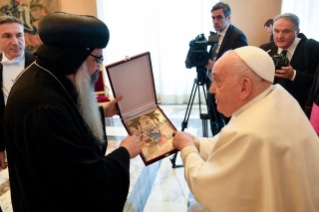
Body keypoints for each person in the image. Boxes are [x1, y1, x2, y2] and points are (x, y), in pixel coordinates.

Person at [4, 12, 140, 212]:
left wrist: (102, 113)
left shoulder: (49, 75)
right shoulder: (41, 105)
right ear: (74, 55)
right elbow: (80, 181)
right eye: (97, 60)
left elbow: (66, 122)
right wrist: (124, 153)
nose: (97, 69)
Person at [173, 46, 319, 212]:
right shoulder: (276, 98)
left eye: (218, 81)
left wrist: (187, 148)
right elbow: (227, 146)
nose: (211, 89)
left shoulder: (250, 132)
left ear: (244, 87)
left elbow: (203, 183)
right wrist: (195, 142)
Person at [260, 13, 319, 110]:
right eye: (276, 31)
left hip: (299, 109)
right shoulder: (265, 49)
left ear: (297, 32)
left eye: (286, 31)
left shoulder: (312, 49)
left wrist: (294, 75)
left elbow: (316, 82)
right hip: (269, 107)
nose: (279, 36)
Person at [205, 2, 248, 135]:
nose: (215, 21)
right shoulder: (215, 35)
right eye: (213, 18)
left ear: (228, 18)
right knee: (213, 117)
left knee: (228, 120)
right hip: (212, 82)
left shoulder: (237, 36)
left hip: (227, 85)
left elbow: (240, 64)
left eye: (219, 17)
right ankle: (215, 142)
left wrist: (217, 65)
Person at [0, 15, 36, 169]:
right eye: (7, 36)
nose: (15, 42)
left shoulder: (39, 64)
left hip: (39, 137)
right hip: (10, 142)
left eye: (19, 35)